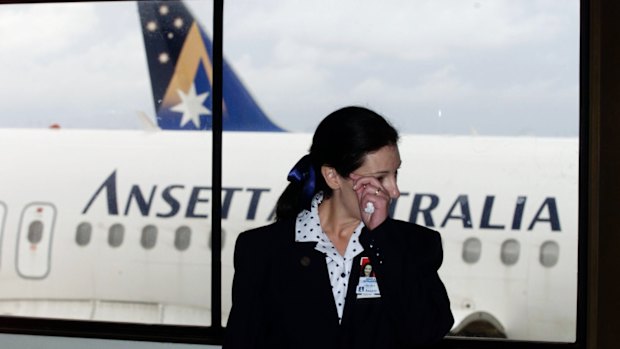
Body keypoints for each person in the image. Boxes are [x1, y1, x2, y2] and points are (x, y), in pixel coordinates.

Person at [224, 106, 453, 349]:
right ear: (332, 177)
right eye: (381, 178)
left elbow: (427, 331)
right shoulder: (263, 250)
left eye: (395, 174)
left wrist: (382, 239)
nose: (394, 191)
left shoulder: (415, 244)